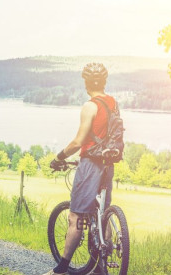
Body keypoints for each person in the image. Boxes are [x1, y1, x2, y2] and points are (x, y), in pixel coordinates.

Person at [44, 63, 117, 275]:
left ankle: (61, 269)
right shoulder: (113, 103)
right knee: (102, 213)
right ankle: (100, 268)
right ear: (104, 82)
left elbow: (78, 142)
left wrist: (59, 157)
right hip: (107, 164)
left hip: (90, 165)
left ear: (86, 83)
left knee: (75, 217)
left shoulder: (90, 106)